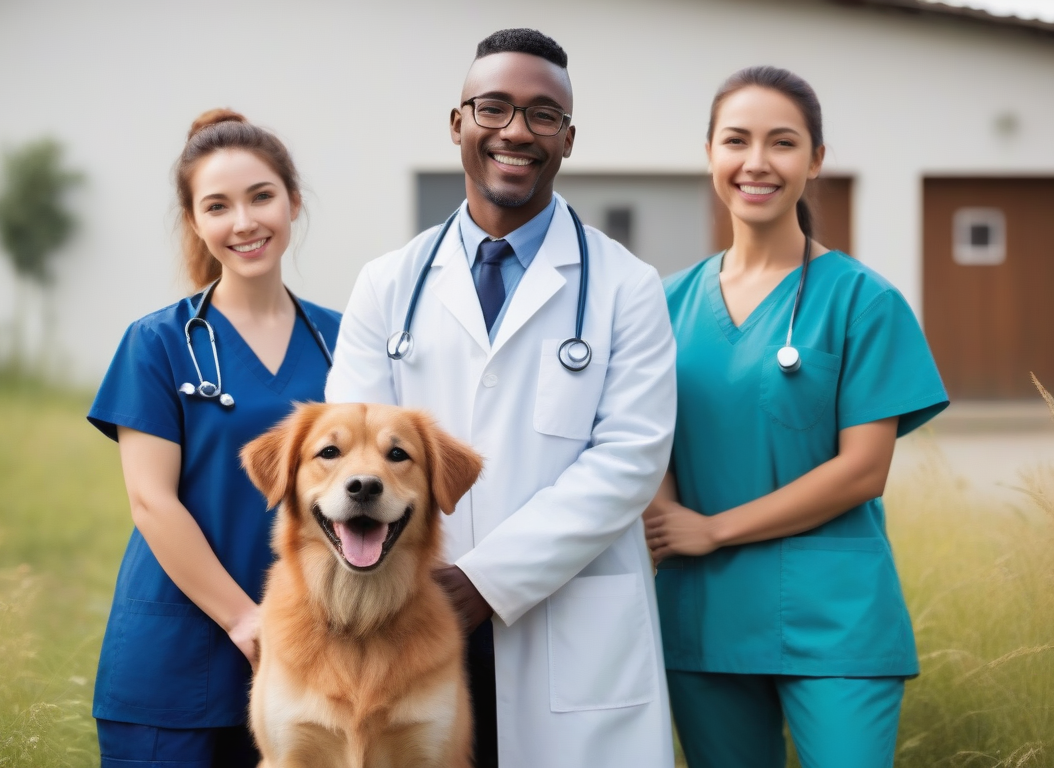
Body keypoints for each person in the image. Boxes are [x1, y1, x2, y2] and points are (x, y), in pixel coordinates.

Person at [325, 28, 677, 768]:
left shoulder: (626, 288)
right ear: (458, 123)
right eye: (493, 107)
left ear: (568, 139)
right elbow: (353, 457)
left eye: (543, 114)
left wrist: (486, 580)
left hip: (569, 627)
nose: (516, 130)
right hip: (409, 613)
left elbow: (630, 460)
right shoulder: (387, 284)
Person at [643, 66, 949, 768]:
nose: (757, 163)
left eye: (782, 143)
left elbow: (863, 471)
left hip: (836, 620)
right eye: (736, 141)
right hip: (705, 619)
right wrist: (664, 514)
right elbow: (643, 439)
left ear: (814, 161)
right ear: (710, 154)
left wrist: (711, 528)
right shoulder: (660, 306)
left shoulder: (862, 301)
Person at [87, 109, 341, 768]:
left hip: (318, 658)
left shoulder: (346, 342)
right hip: (175, 659)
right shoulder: (159, 342)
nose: (245, 222)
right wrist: (245, 620)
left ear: (293, 202)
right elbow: (151, 502)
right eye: (218, 206)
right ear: (195, 221)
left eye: (261, 196)